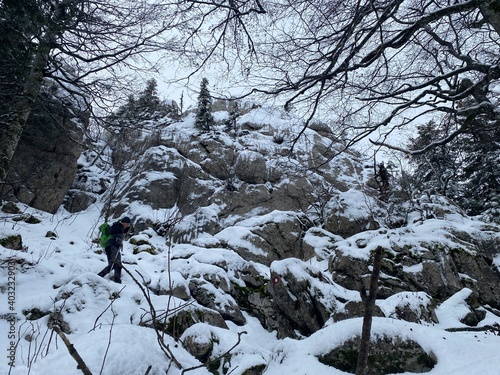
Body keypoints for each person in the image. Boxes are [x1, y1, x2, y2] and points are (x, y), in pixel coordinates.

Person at [97, 217, 131, 283]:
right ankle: (116, 280)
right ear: (124, 222)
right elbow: (115, 233)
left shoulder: (118, 226)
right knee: (116, 263)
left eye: (128, 224)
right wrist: (122, 232)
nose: (128, 225)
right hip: (113, 246)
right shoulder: (117, 226)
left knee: (114, 264)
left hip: (111, 247)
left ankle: (100, 276)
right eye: (127, 224)